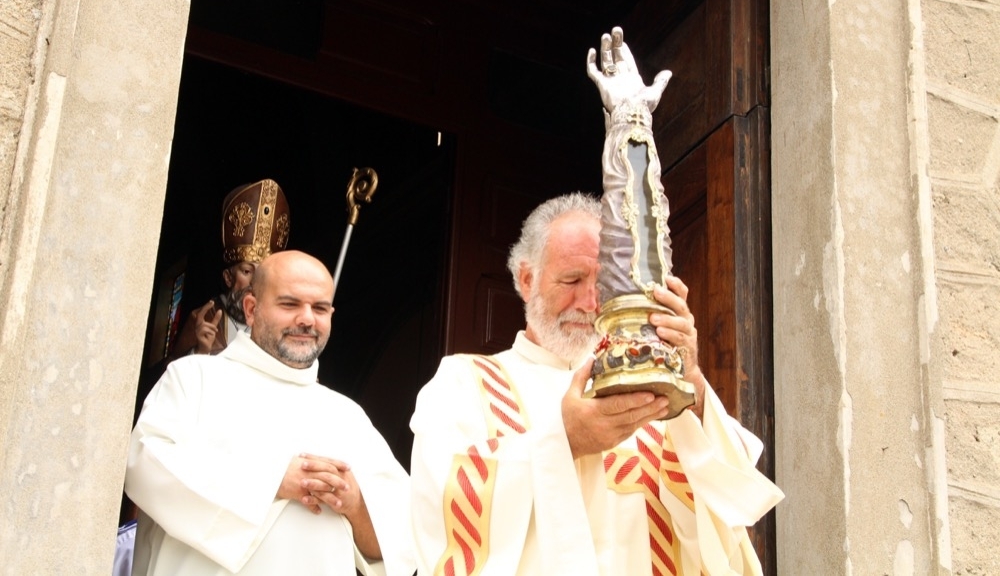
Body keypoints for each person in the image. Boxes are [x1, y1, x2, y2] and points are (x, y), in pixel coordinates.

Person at [409, 192, 783, 575]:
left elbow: (729, 513)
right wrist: (565, 440)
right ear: (526, 279)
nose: (590, 302)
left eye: (604, 284)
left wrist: (691, 386)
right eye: (572, 279)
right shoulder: (464, 382)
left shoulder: (647, 390)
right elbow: (438, 506)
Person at [126, 250, 414, 575]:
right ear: (251, 309)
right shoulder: (193, 379)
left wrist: (356, 504)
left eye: (319, 308)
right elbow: (145, 468)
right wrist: (274, 479)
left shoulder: (348, 416)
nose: (307, 319)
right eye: (289, 304)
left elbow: (403, 546)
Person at [171, 178, 292, 358]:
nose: (255, 283)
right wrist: (200, 351)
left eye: (263, 274)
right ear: (228, 277)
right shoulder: (203, 319)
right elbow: (171, 375)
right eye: (247, 271)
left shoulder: (276, 327)